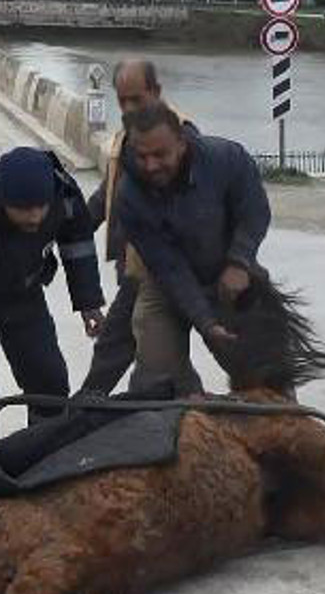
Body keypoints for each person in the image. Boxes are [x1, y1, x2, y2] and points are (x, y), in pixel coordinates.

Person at [0, 147, 105, 440]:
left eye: (40, 206)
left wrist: (88, 303)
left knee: (49, 383)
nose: (35, 217)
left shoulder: (61, 191)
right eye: (23, 209)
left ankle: (40, 464)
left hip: (20, 286)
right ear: (3, 201)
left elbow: (78, 242)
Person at [115, 102, 271, 397]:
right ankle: (189, 416)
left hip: (230, 275)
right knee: (155, 377)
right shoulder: (129, 196)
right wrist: (205, 322)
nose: (150, 166)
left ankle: (278, 421)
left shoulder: (227, 158)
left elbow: (255, 213)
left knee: (261, 372)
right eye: (141, 156)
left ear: (182, 143)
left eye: (160, 155)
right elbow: (169, 267)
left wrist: (239, 262)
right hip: (166, 285)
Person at [79, 59, 194, 396]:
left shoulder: (180, 135)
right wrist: (72, 228)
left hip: (159, 268)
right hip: (134, 266)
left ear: (156, 92)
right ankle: (84, 412)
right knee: (146, 353)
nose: (129, 108)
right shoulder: (128, 137)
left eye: (137, 100)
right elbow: (107, 195)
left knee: (126, 353)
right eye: (122, 101)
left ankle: (81, 415)